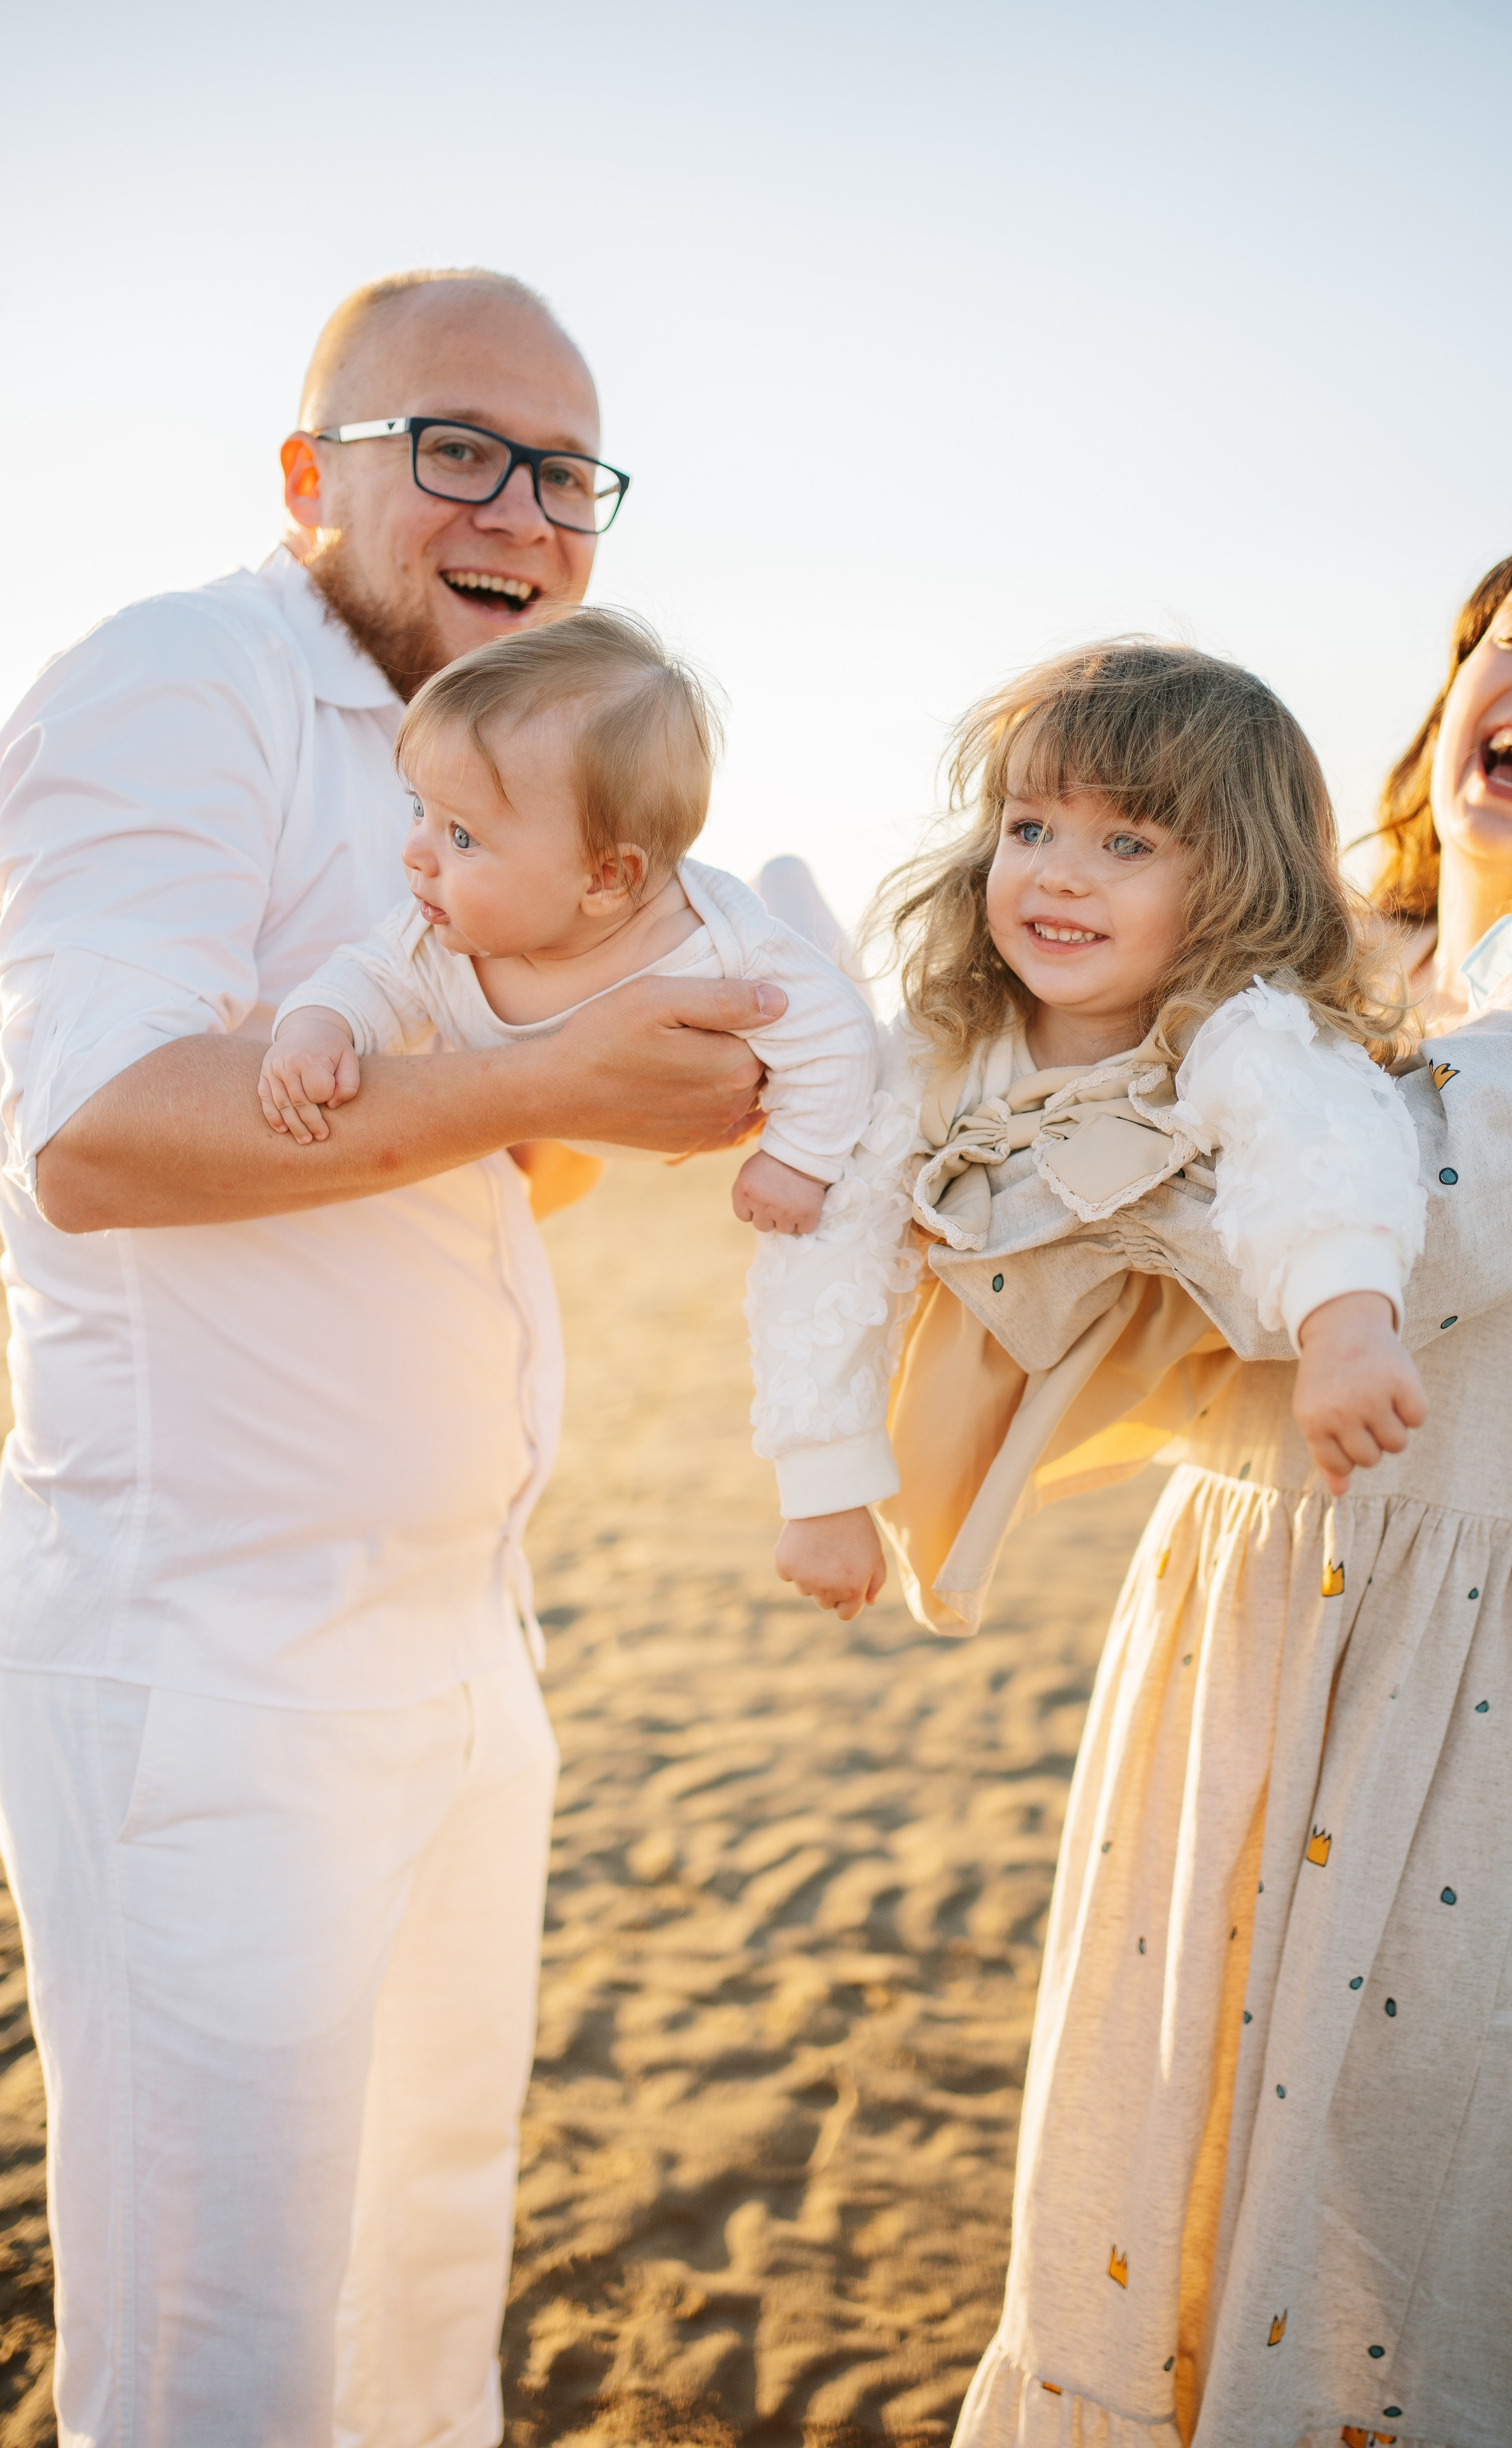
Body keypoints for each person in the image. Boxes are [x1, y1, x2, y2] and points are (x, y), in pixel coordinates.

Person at [0, 268, 774, 2448]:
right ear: (305, 476)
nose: (517, 510)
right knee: (217, 2357)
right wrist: (566, 1091)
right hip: (215, 1661)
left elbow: (457, 1172)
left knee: (419, 2287)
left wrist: (576, 1099)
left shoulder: (509, 760)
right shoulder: (179, 685)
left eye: (563, 474)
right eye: (455, 447)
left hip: (458, 1646)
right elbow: (93, 1134)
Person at [936, 521, 1512, 2448]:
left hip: (1474, 1662)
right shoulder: (1342, 959)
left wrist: (1126, 1112)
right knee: (1145, 2179)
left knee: (1390, 2235)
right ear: (1452, 674)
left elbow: (1401, 1209)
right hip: (1243, 1603)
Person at [750, 639, 1430, 1629]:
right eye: (1030, 828)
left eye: (1127, 845)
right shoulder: (947, 1045)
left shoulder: (1235, 1030)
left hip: (1108, 1370)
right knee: (846, 1100)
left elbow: (1319, 1142)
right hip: (945, 1345)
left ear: (1239, 881)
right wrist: (823, 1489)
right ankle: (808, 985)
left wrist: (1348, 1325)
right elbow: (831, 1246)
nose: (1059, 877)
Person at [259, 612, 877, 1241]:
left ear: (605, 877)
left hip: (808, 990)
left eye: (462, 835)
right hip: (615, 1134)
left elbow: (835, 1033)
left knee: (843, 992)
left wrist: (797, 1163)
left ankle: (787, 885)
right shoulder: (438, 940)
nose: (414, 852)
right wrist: (318, 1028)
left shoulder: (721, 952)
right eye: (419, 809)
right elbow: (367, 977)